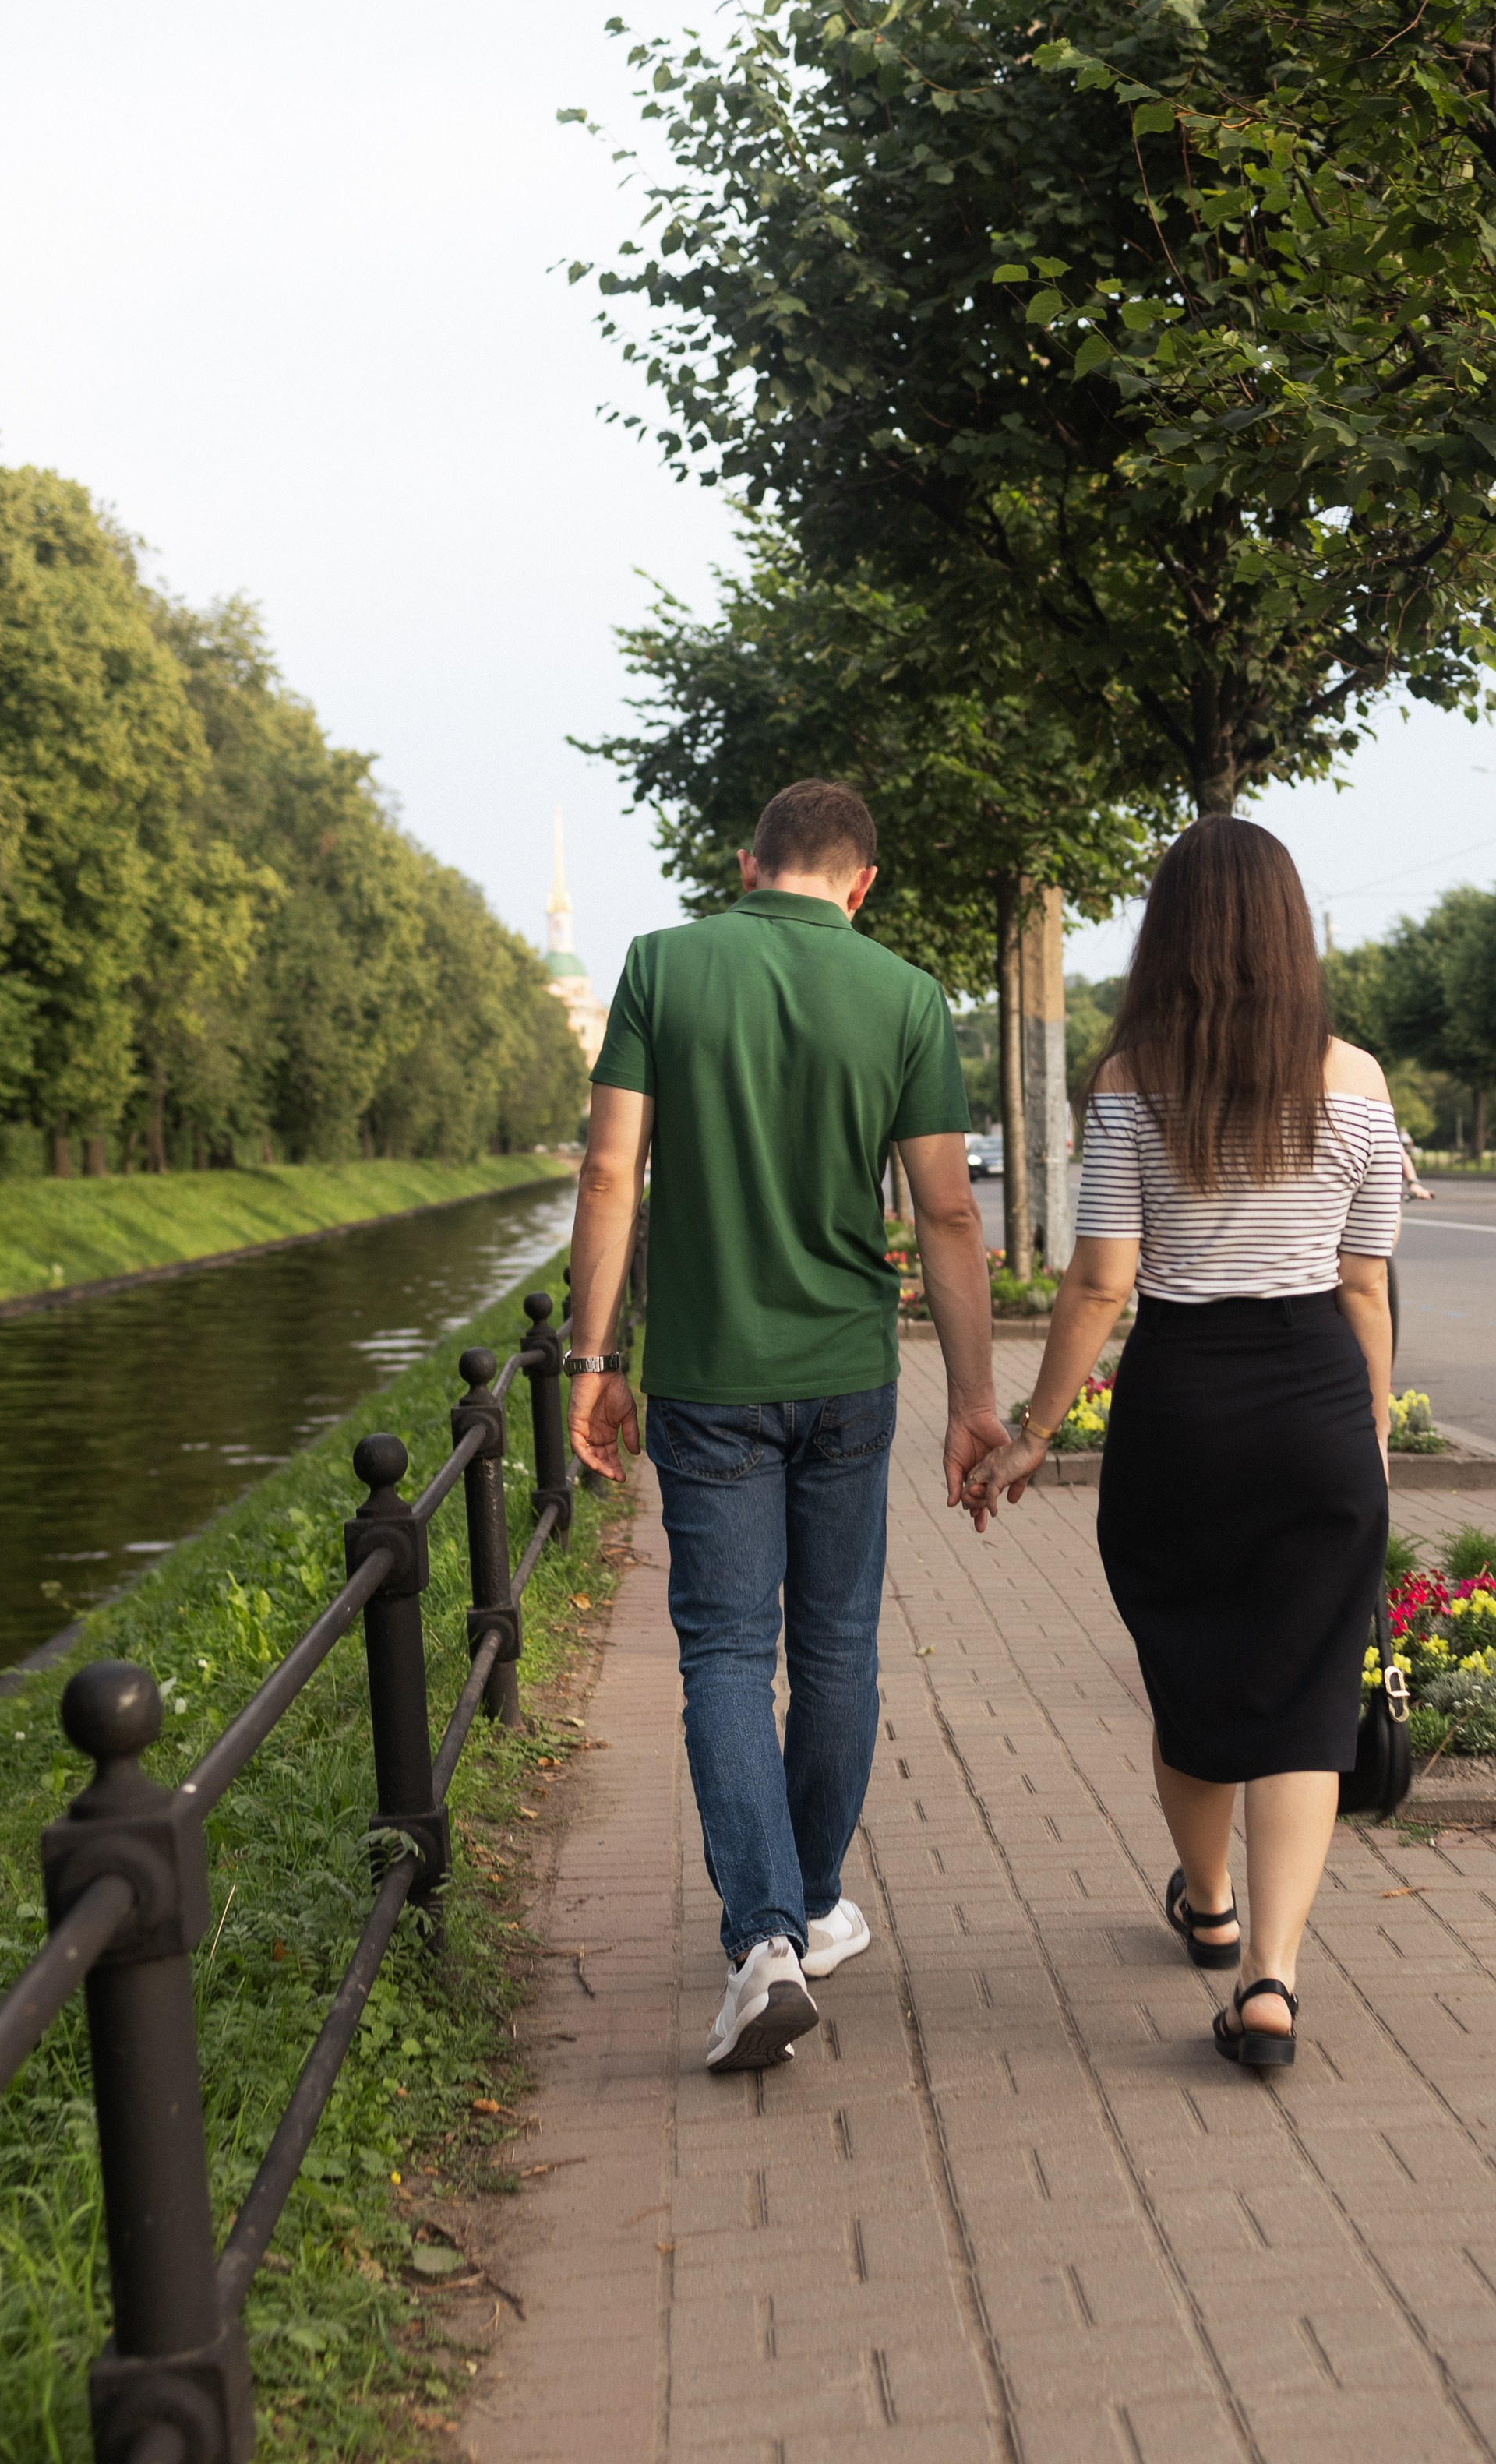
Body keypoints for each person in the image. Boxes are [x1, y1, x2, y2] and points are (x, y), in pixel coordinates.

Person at [564, 780, 1004, 2072]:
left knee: (720, 1651)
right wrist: (976, 1404)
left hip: (706, 1375)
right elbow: (947, 1215)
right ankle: (803, 1912)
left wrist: (595, 1360)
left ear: (748, 866)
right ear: (861, 884)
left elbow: (608, 1172)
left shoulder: (660, 965)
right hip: (849, 1371)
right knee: (837, 1647)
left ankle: (765, 1939)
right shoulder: (908, 996)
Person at [964, 817, 1399, 2072]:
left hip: (1185, 1405)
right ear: (1290, 932)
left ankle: (1207, 1905)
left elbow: (1100, 1286)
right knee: (1311, 1695)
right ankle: (1272, 1979)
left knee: (1194, 1669)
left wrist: (1034, 1432)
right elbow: (1364, 1286)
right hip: (1318, 1394)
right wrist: (1365, 1437)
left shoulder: (1131, 1081)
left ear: (1170, 936)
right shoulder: (1358, 1082)